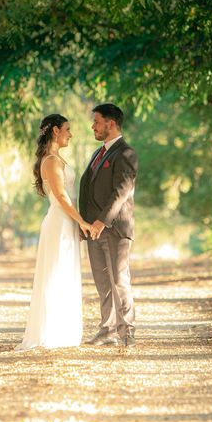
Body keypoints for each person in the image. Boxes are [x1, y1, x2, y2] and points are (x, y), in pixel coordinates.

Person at [16, 114, 91, 350]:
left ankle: (62, 329)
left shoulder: (56, 159)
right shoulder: (50, 161)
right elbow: (61, 197)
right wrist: (83, 222)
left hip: (65, 221)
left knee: (65, 271)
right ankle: (51, 331)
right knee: (56, 272)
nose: (71, 134)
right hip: (59, 222)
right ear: (56, 130)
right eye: (68, 129)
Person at [79, 103, 138, 347]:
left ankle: (127, 333)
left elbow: (121, 191)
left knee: (119, 281)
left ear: (110, 124)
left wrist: (102, 221)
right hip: (93, 231)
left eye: (96, 121)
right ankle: (107, 331)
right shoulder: (98, 153)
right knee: (103, 284)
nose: (93, 126)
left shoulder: (126, 153)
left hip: (115, 229)